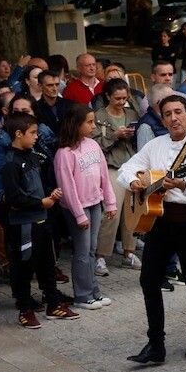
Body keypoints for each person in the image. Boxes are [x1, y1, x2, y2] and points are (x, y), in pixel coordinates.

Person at [120, 95, 186, 365]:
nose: (173, 118)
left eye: (178, 112)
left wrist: (182, 185)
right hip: (159, 222)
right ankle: (155, 344)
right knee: (148, 279)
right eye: (168, 114)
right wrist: (134, 182)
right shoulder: (154, 145)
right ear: (162, 119)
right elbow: (128, 167)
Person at [2, 113, 77, 328]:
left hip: (43, 220)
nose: (36, 137)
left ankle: (53, 303)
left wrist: (50, 194)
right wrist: (40, 202)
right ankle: (25, 308)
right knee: (24, 266)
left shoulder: (33, 155)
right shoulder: (10, 163)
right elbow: (14, 198)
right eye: (32, 133)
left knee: (47, 263)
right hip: (23, 224)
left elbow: (39, 186)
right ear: (18, 134)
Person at [55, 105, 117, 310]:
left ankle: (94, 292)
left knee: (91, 250)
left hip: (95, 204)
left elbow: (104, 176)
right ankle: (82, 296)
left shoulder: (93, 145)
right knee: (82, 251)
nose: (93, 126)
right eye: (89, 122)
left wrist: (110, 202)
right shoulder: (64, 153)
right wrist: (79, 215)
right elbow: (67, 186)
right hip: (77, 209)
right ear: (76, 124)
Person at [94, 79, 142, 272]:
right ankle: (100, 256)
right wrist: (114, 136)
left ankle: (129, 252)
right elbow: (94, 144)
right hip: (111, 167)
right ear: (107, 96)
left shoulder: (132, 113)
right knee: (111, 213)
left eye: (125, 98)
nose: (122, 102)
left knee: (133, 212)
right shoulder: (99, 116)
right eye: (117, 98)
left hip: (131, 166)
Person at [33, 69, 75, 135]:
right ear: (40, 86)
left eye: (57, 84)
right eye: (50, 85)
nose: (55, 89)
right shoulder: (35, 108)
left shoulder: (70, 105)